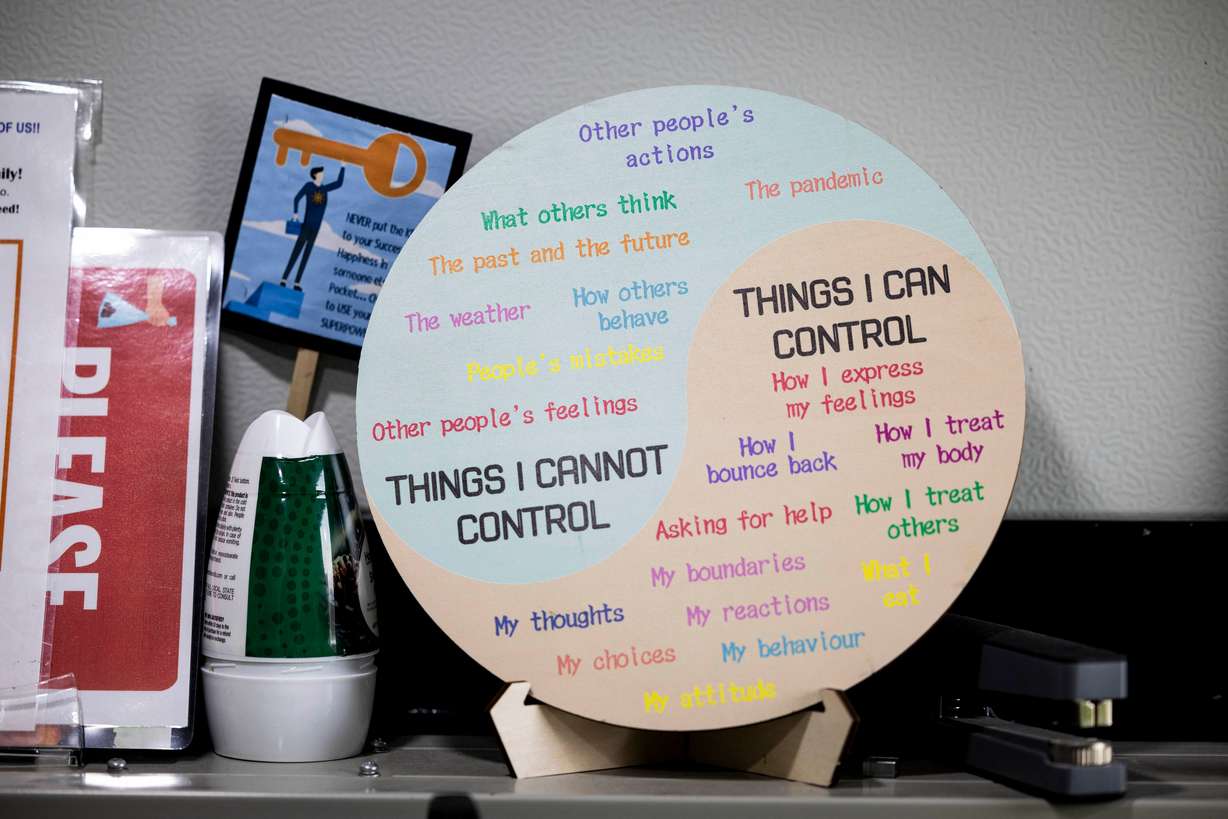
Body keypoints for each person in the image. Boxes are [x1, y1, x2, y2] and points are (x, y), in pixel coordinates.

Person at [281, 165, 345, 290]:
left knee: (306, 254)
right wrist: (295, 214)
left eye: (323, 173)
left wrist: (343, 167)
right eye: (321, 173)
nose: (323, 175)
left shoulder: (324, 189)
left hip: (316, 228)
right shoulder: (308, 186)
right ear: (315, 174)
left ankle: (297, 282)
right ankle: (284, 278)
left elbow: (339, 183)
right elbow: (296, 198)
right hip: (306, 225)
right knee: (296, 252)